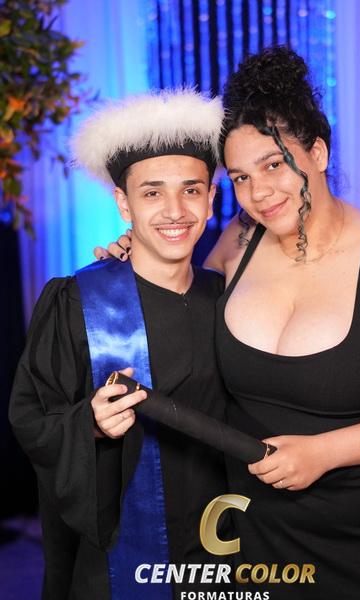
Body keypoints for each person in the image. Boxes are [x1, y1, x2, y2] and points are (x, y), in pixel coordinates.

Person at [101, 48, 360, 599]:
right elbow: (181, 301)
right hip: (264, 537)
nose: (258, 192)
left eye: (273, 164)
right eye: (240, 177)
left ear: (318, 152)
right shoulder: (239, 241)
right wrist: (136, 253)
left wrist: (324, 452)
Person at [9, 89, 233, 600]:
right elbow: (31, 419)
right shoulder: (78, 302)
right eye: (152, 193)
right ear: (123, 203)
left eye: (191, 190)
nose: (175, 211)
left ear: (210, 199)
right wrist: (88, 423)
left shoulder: (228, 297)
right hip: (119, 557)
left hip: (223, 540)